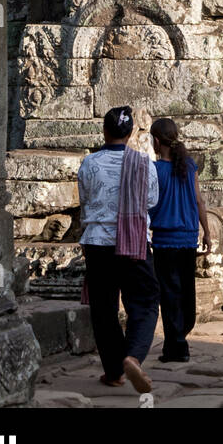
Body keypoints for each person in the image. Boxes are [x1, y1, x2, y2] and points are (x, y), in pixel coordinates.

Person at [77, 106, 159, 394]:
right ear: (131, 133)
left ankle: (114, 372)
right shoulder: (144, 163)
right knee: (145, 302)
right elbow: (151, 200)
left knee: (104, 309)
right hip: (134, 241)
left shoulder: (90, 164)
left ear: (105, 131)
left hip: (98, 242)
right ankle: (133, 356)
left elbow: (85, 200)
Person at [148, 117, 212, 363]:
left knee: (170, 293)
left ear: (156, 141)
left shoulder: (155, 170)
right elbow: (199, 201)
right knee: (186, 290)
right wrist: (206, 230)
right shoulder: (189, 165)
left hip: (165, 240)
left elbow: (149, 204)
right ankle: (180, 336)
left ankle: (176, 345)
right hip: (188, 238)